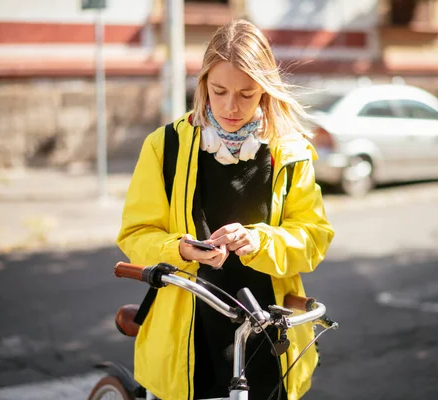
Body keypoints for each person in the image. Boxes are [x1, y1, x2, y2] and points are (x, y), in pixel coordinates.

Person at [116, 19, 334, 400]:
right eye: (219, 91)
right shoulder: (163, 146)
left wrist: (257, 241)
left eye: (247, 94)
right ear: (203, 86)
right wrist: (179, 249)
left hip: (268, 335)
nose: (232, 107)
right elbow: (136, 234)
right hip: (187, 337)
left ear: (265, 92)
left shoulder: (292, 150)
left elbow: (313, 238)